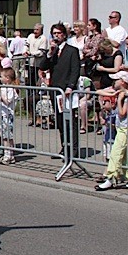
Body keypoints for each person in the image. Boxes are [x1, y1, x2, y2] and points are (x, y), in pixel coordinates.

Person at [47, 23, 81, 158]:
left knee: (70, 121)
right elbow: (44, 65)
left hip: (67, 90)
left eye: (58, 33)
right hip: (55, 90)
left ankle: (73, 149)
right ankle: (64, 147)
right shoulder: (53, 51)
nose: (56, 36)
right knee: (60, 121)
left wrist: (70, 86)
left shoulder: (72, 50)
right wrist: (50, 53)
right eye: (54, 33)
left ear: (64, 35)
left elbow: (75, 70)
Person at [94, 71, 128, 191]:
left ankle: (110, 178)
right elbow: (98, 91)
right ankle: (127, 177)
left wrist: (119, 100)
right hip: (121, 127)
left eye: (117, 80)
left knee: (116, 153)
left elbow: (122, 113)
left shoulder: (126, 97)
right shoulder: (122, 93)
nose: (114, 81)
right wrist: (115, 94)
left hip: (125, 128)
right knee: (125, 155)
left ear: (123, 82)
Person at [0, 67, 19, 165]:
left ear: (7, 78)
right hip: (2, 114)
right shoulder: (4, 87)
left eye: (2, 77)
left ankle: (8, 155)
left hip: (7, 115)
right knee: (4, 135)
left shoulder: (11, 89)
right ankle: (8, 155)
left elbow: (8, 101)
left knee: (7, 136)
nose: (0, 79)